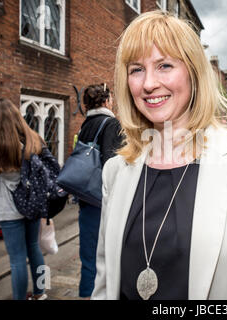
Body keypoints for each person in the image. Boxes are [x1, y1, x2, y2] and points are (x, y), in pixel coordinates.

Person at [91, 11, 227, 300]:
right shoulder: (116, 171)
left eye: (164, 65)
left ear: (193, 73)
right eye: (136, 69)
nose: (149, 83)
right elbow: (105, 284)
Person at [0, 98, 47, 300]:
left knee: (17, 259)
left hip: (8, 206)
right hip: (32, 201)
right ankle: (41, 292)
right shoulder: (33, 139)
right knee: (34, 249)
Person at [76, 84, 123, 299]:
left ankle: (85, 294)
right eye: (111, 99)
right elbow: (111, 163)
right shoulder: (111, 123)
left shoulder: (86, 123)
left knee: (88, 255)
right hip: (101, 199)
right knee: (105, 256)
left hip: (85, 195)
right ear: (106, 101)